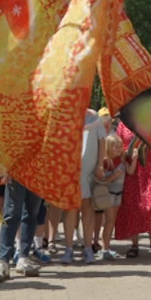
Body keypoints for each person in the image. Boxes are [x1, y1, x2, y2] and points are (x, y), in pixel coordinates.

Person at [115, 121, 151, 258]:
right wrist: (126, 154)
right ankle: (134, 244)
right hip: (132, 170)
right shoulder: (123, 125)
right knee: (133, 206)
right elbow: (118, 146)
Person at [61, 109, 105, 265]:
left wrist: (100, 165)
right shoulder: (67, 112)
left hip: (88, 173)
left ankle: (87, 248)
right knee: (71, 208)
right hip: (71, 171)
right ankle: (68, 249)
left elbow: (102, 140)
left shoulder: (94, 117)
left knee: (87, 207)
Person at [0, 177, 43, 282]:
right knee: (11, 213)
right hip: (17, 168)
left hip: (39, 169)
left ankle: (24, 258)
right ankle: (3, 262)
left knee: (31, 213)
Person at [92, 133, 126, 260]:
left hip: (119, 193)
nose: (118, 149)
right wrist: (114, 176)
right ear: (108, 147)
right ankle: (104, 248)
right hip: (108, 195)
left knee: (111, 222)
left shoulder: (121, 159)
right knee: (108, 221)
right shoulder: (105, 162)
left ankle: (106, 247)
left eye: (120, 146)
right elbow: (101, 180)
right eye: (115, 147)